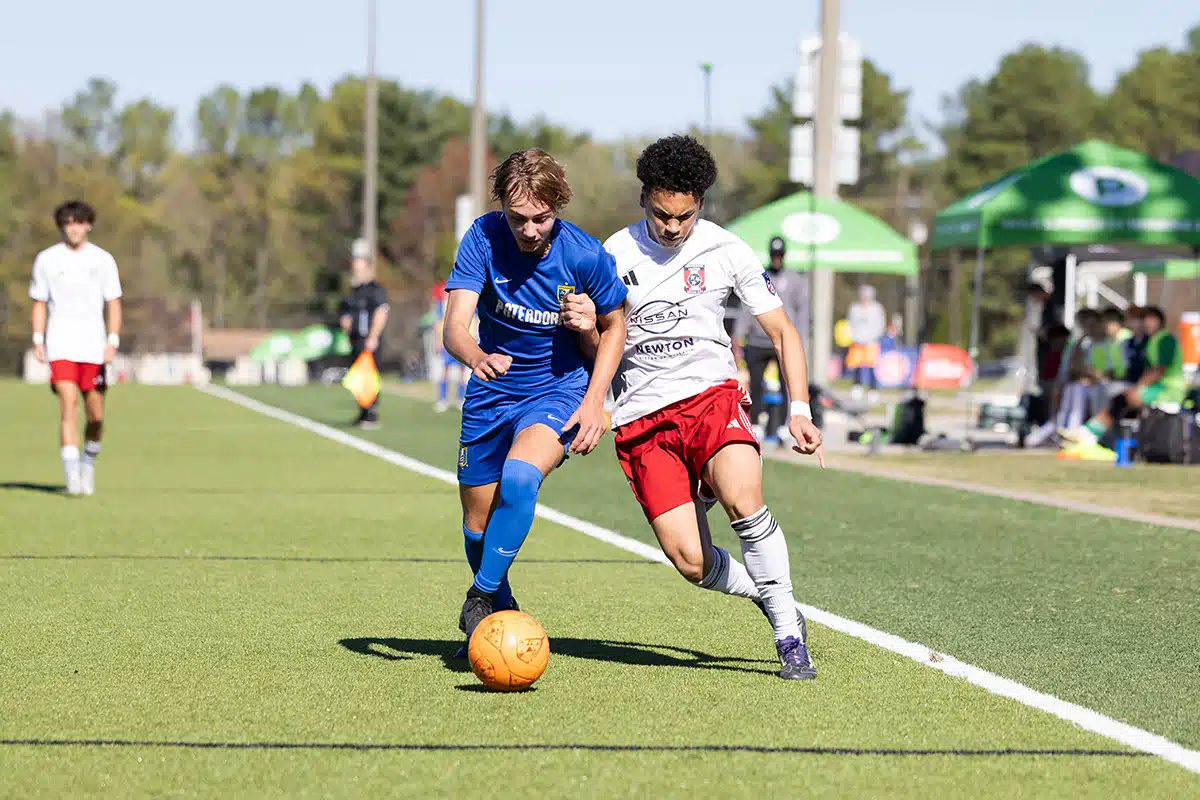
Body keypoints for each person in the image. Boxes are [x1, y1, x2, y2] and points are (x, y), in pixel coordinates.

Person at [564, 135, 824, 680]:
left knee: (743, 498)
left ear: (700, 205)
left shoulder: (728, 250)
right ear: (643, 200)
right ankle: (772, 595)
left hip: (711, 398)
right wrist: (588, 332)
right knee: (690, 561)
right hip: (642, 421)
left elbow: (783, 332)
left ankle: (787, 633)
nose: (673, 227)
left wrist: (799, 407)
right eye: (662, 215)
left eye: (684, 216)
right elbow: (599, 347)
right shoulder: (611, 255)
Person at [444, 149, 627, 649]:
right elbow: (453, 328)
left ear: (558, 208)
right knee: (477, 525)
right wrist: (477, 356)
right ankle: (497, 620)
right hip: (489, 394)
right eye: (518, 218)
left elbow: (616, 328)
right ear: (502, 206)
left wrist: (595, 401)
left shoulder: (585, 254)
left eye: (541, 219)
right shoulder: (481, 237)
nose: (528, 229)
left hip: (558, 389)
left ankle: (479, 597)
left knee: (521, 478)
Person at [29, 200, 123, 496]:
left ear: (89, 225)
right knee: (68, 405)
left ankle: (88, 463)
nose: (74, 228)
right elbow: (40, 302)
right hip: (61, 344)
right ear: (62, 227)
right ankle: (71, 475)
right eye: (68, 223)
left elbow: (114, 302)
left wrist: (112, 340)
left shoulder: (103, 260)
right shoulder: (46, 259)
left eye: (79, 222)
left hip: (93, 346)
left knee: (95, 414)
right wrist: (38, 338)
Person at [1062, 306, 1187, 450]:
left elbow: (1159, 370)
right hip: (1156, 388)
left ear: (1160, 321)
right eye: (1145, 320)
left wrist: (1138, 388)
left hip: (1168, 391)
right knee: (1120, 401)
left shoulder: (1165, 339)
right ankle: (1090, 434)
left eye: (1151, 320)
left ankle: (1091, 435)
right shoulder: (1151, 341)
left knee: (1123, 399)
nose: (1147, 324)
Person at [734, 235, 811, 444]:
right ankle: (757, 423)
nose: (777, 258)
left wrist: (799, 338)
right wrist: (738, 337)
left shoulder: (796, 279)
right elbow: (746, 308)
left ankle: (784, 426)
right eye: (774, 255)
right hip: (758, 340)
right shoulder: (759, 275)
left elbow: (802, 311)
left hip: (782, 341)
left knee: (788, 382)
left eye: (780, 255)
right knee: (756, 384)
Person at [339, 239, 389, 428]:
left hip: (369, 340)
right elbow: (346, 312)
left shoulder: (375, 290)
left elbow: (381, 312)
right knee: (358, 378)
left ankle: (371, 413)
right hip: (356, 339)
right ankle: (362, 411)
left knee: (370, 377)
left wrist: (373, 336)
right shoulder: (354, 291)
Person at [846, 284, 886, 402]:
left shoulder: (877, 309)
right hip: (857, 342)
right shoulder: (854, 308)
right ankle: (857, 386)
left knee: (871, 366)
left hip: (871, 342)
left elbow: (880, 325)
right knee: (856, 365)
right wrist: (854, 336)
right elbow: (850, 323)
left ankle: (873, 389)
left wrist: (874, 337)